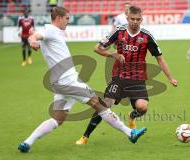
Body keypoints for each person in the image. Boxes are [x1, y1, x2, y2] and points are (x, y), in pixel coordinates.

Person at [18, 7, 147, 153]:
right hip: (68, 81)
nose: (68, 21)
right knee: (100, 105)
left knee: (57, 119)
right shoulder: (51, 31)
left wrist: (33, 38)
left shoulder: (54, 32)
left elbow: (37, 37)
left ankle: (27, 143)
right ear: (59, 18)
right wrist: (32, 39)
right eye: (67, 18)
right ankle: (130, 133)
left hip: (58, 84)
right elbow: (35, 37)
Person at [75, 5, 178, 145]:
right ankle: (85, 137)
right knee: (105, 105)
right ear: (127, 18)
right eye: (132, 19)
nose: (134, 22)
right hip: (119, 76)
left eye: (137, 19)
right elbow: (97, 48)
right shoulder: (118, 31)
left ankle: (132, 116)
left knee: (142, 107)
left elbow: (159, 58)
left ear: (142, 19)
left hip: (137, 78)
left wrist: (170, 77)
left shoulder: (147, 36)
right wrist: (113, 54)